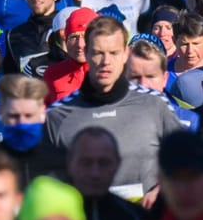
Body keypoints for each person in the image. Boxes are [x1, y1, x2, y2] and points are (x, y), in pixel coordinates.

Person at [47, 16, 182, 199]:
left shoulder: (155, 105)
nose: (106, 61)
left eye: (113, 53)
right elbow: (43, 181)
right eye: (98, 52)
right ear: (86, 53)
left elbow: (186, 163)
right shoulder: (57, 116)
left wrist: (163, 189)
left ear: (126, 54)